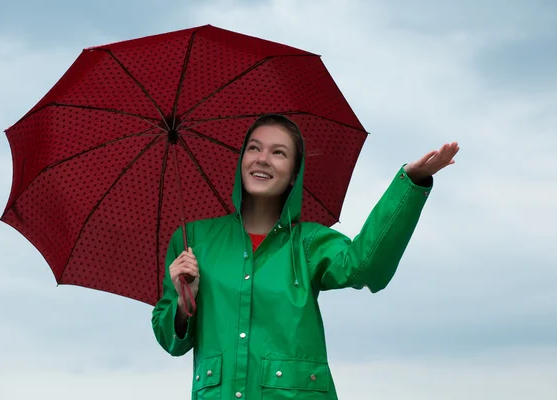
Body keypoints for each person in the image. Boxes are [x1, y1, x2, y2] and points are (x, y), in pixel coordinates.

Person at [151, 114, 459, 399]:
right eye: (254, 148)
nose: (262, 159)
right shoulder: (193, 242)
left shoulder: (309, 243)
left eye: (278, 153)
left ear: (293, 176)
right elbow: (170, 341)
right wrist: (183, 303)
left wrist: (411, 181)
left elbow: (367, 268)